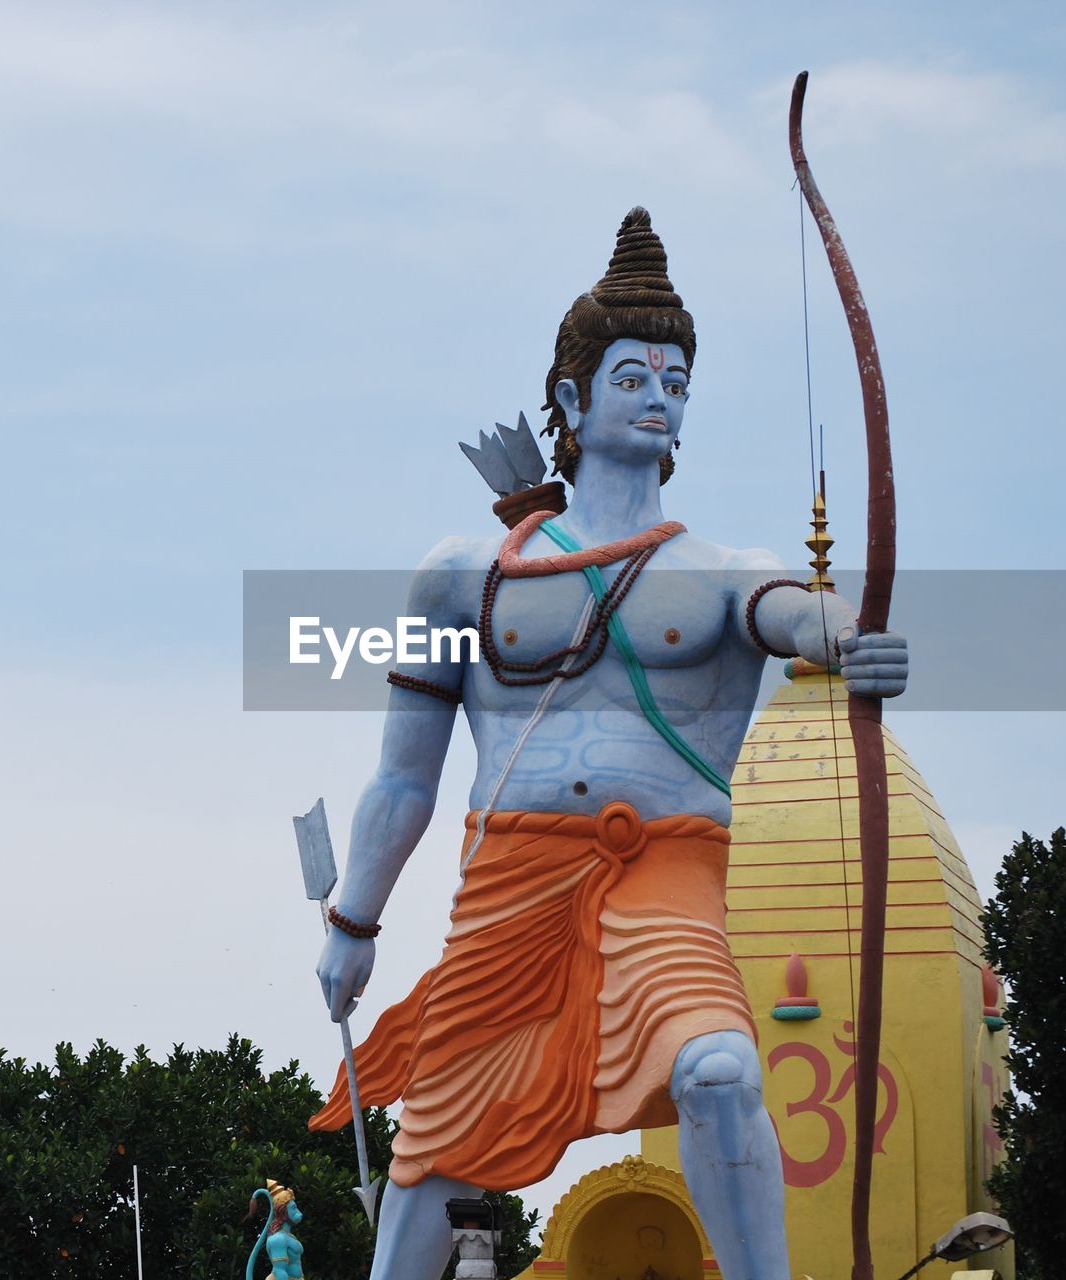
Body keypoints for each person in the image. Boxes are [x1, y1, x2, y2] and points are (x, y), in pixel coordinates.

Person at [310, 208, 908, 1280]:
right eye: (634, 375)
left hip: (662, 871)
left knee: (720, 1069)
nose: (659, 394)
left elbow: (793, 612)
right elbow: (403, 774)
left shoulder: (724, 570)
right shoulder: (463, 574)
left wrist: (845, 634)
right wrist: (354, 917)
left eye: (675, 379)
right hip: (512, 878)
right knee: (432, 1151)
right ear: (573, 399)